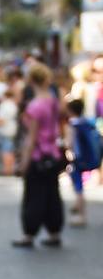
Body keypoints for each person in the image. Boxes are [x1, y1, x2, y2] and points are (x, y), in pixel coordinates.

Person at [14, 63, 66, 248]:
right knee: (52, 194)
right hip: (52, 153)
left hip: (38, 156)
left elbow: (31, 138)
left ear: (30, 81)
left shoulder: (35, 107)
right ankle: (54, 231)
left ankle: (29, 233)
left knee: (33, 196)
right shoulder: (52, 100)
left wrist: (23, 164)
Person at [65, 97, 96, 226]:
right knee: (80, 185)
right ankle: (78, 208)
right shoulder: (87, 123)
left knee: (78, 186)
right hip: (87, 157)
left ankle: (80, 213)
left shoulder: (73, 125)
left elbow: (69, 143)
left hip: (77, 158)